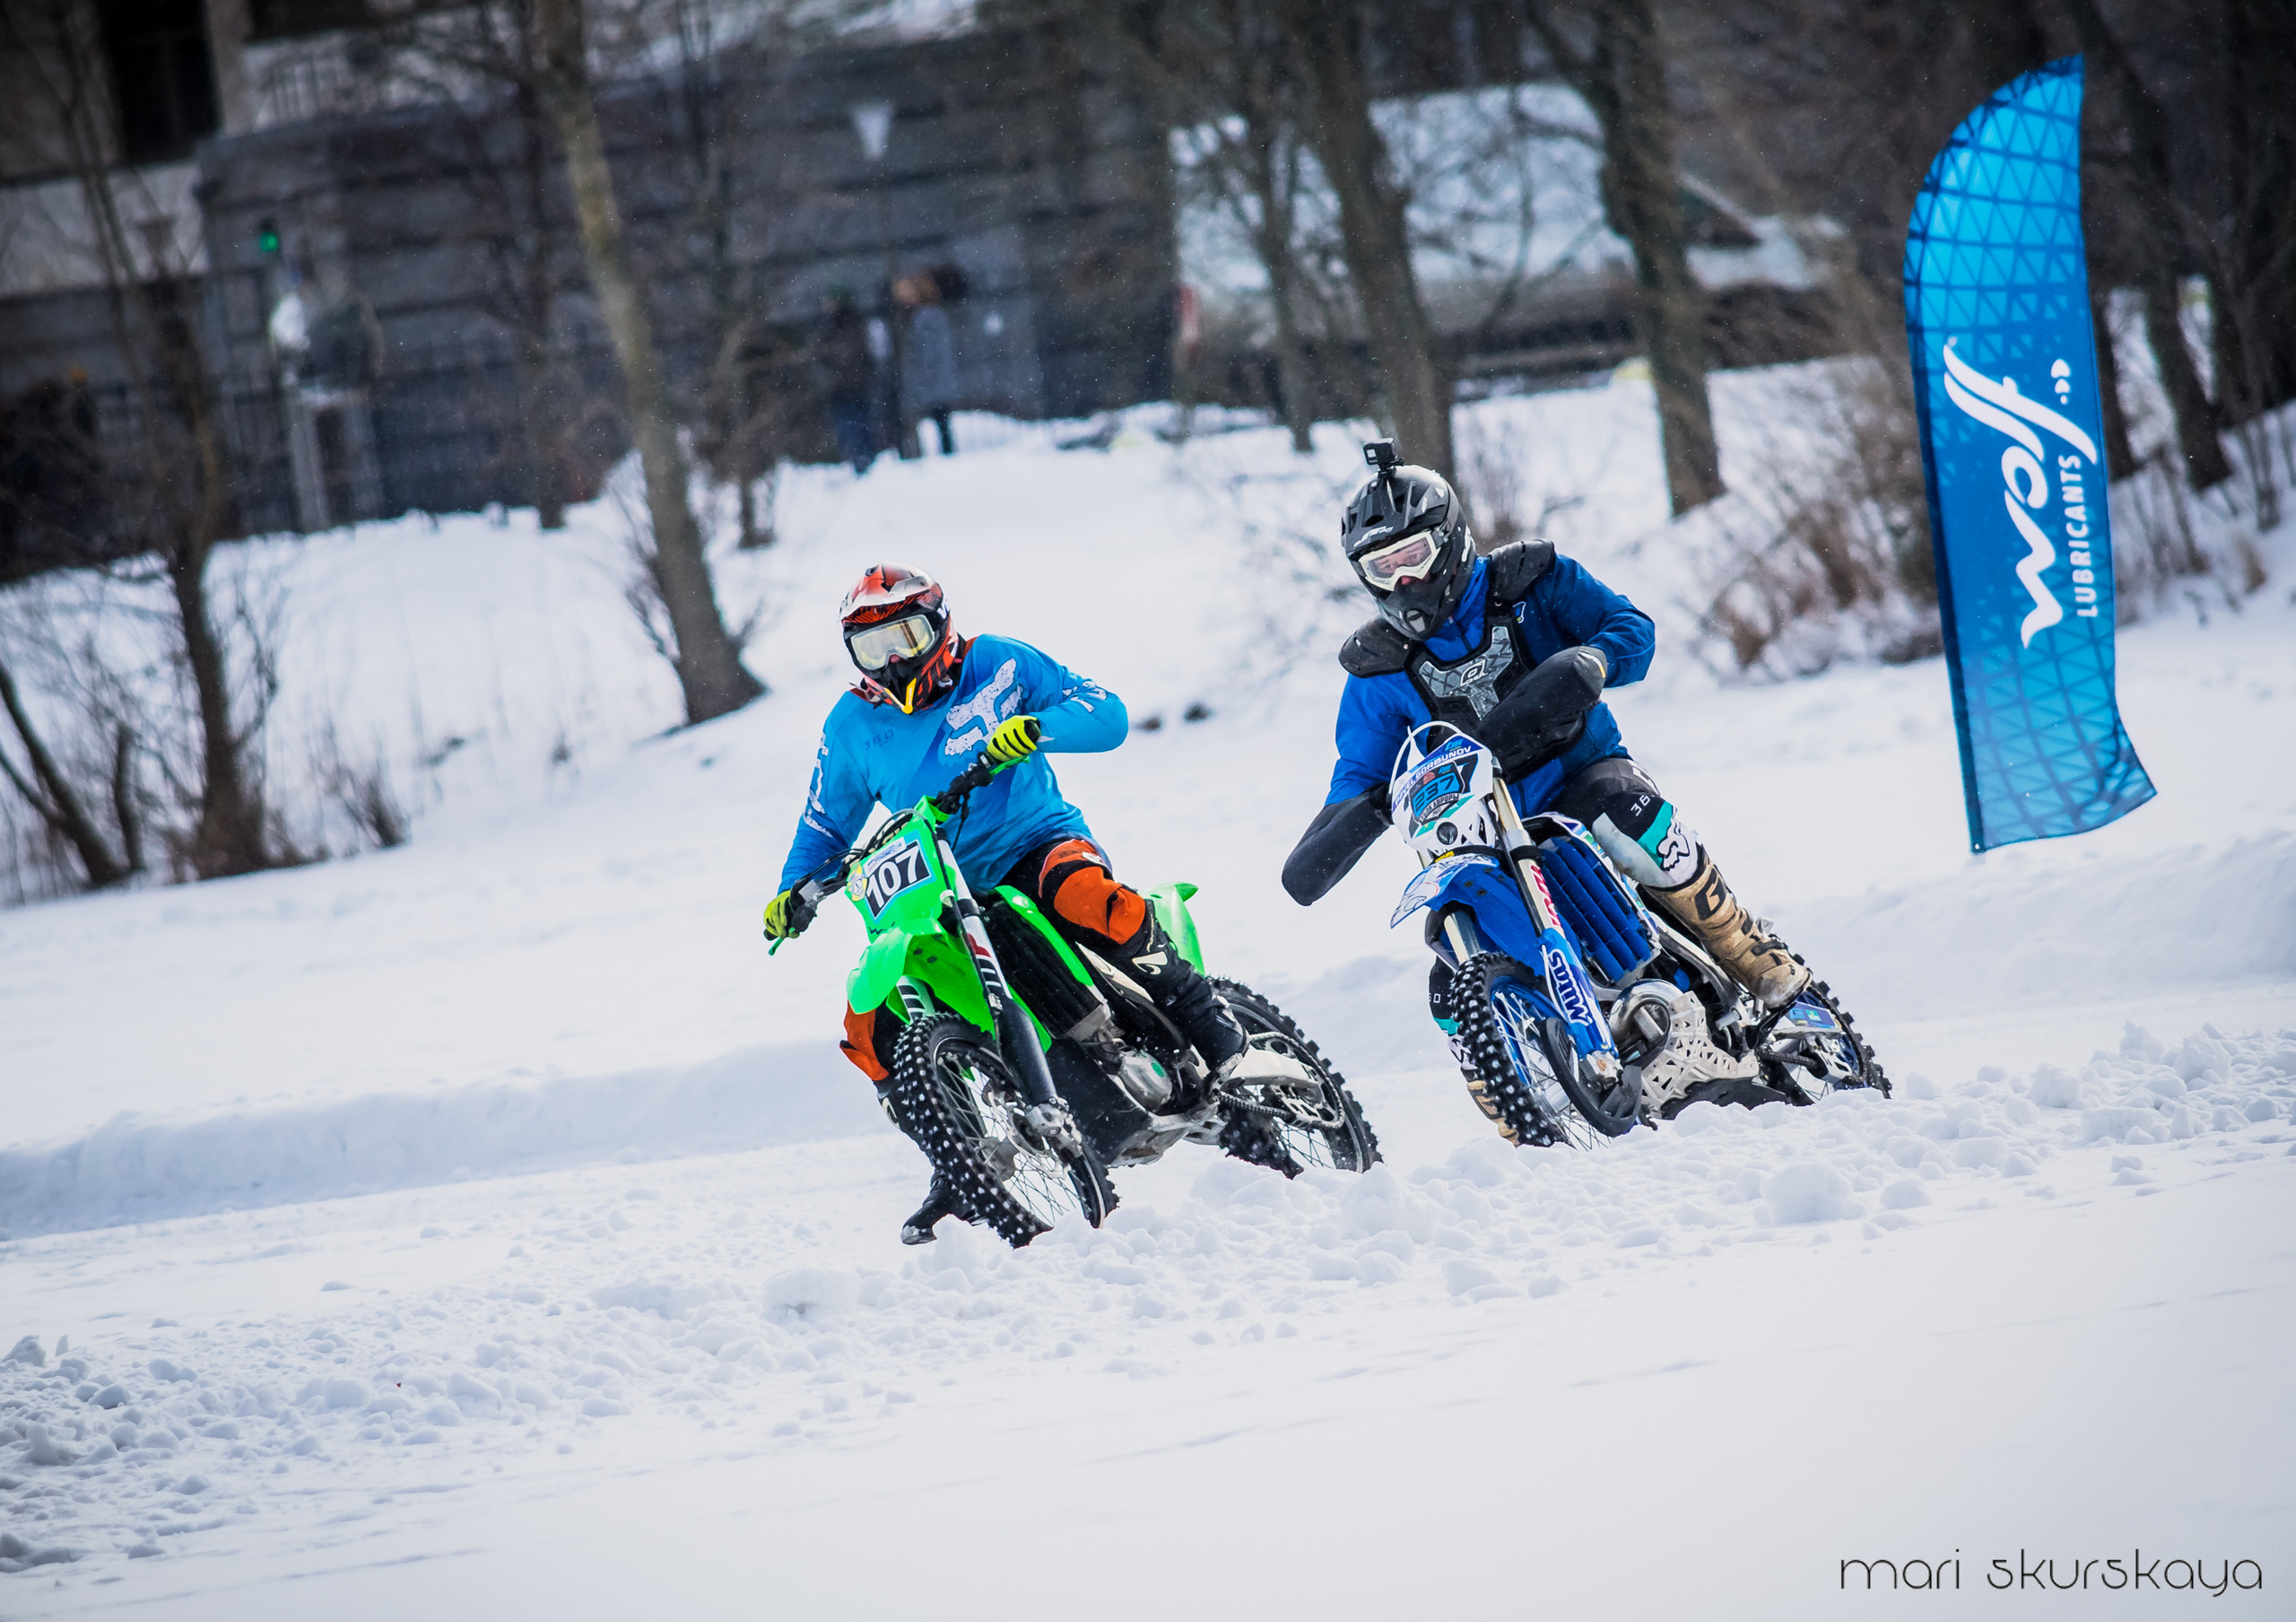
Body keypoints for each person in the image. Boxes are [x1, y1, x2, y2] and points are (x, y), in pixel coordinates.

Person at [1281, 447, 1809, 1121]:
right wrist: (1344, 823)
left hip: (1579, 776)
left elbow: (1632, 628)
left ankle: (1738, 942)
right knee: (1449, 963)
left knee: (1620, 808)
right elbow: (1356, 772)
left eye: (1412, 556)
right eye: (1382, 568)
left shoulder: (1532, 580)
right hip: (1479, 831)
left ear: (1449, 540)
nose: (1404, 580)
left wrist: (1595, 658)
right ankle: (1513, 1113)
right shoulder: (1376, 669)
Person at [764, 564, 1254, 1243]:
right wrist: (792, 891)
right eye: (873, 648)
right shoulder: (851, 724)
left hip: (1035, 841)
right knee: (872, 1020)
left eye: (906, 638)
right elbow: (825, 823)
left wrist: (1036, 728)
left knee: (1083, 895)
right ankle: (958, 1156)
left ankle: (1206, 1017)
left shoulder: (997, 662)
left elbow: (1106, 714)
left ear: (940, 627)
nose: (894, 661)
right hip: (936, 883)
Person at [896, 274, 958, 457]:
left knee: (939, 419)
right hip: (938, 376)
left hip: (932, 378)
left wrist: (923, 376)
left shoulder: (924, 317)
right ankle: (946, 452)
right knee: (941, 420)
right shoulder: (934, 314)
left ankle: (944, 453)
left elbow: (927, 352)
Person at [820, 291, 877, 475]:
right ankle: (860, 456)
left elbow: (844, 354)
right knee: (855, 424)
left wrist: (828, 354)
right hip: (852, 384)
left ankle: (861, 457)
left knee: (853, 424)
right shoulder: (849, 322)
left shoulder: (843, 325)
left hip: (848, 385)